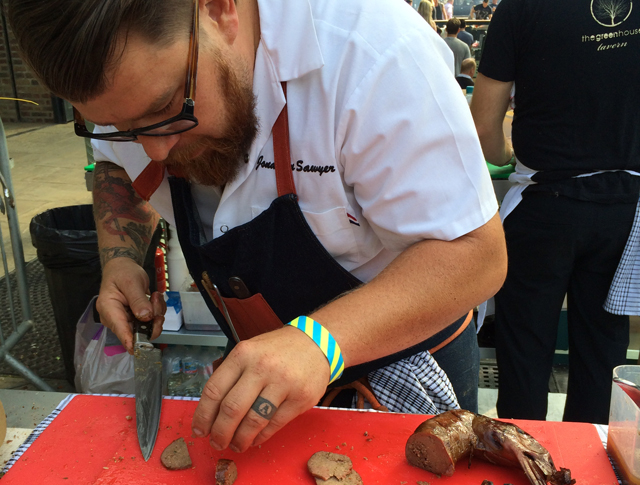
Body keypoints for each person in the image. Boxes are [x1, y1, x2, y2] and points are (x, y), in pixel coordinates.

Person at [8, 0, 505, 451]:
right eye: (124, 129)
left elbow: (476, 254)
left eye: (165, 111)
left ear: (221, 10)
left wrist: (319, 342)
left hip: (404, 371)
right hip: (258, 370)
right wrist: (119, 258)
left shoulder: (371, 54)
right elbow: (113, 165)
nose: (154, 150)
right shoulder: (137, 91)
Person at [470, 0, 640, 424]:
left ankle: (521, 469)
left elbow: (483, 124)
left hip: (544, 203)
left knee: (524, 349)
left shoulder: (521, 7)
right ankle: (590, 477)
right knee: (604, 352)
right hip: (624, 205)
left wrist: (506, 156)